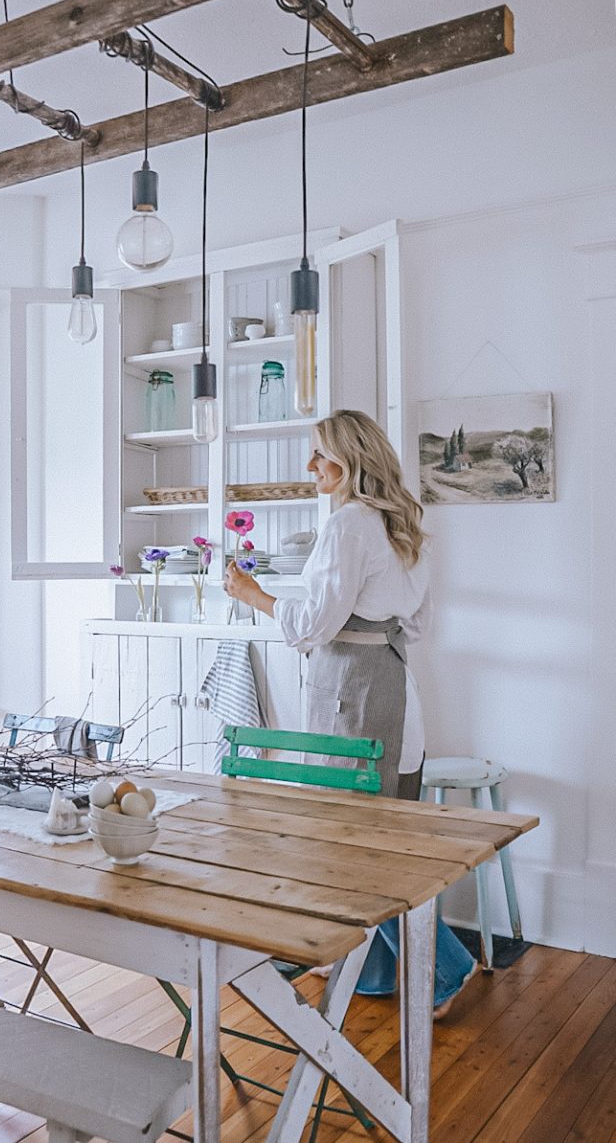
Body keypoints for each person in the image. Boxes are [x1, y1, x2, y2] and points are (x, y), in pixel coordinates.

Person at [224, 408, 477, 1018]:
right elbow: (417, 623)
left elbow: (312, 626)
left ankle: (445, 968)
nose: (310, 465)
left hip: (353, 692)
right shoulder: (404, 523)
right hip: (393, 682)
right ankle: (376, 971)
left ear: (350, 458)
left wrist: (252, 594)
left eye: (319, 454)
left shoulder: (348, 525)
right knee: (385, 834)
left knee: (354, 847)